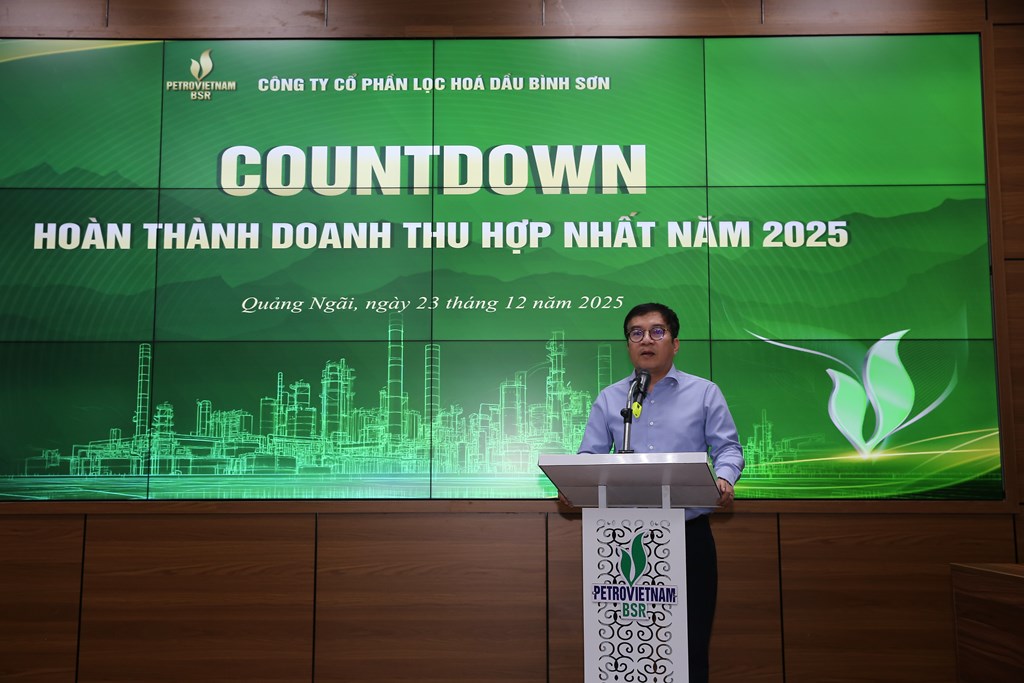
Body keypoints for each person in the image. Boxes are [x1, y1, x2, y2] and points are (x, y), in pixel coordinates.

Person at [577, 302, 744, 683]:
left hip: (687, 537)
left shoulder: (704, 393)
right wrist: (577, 486)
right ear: (628, 345)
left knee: (688, 644)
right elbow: (588, 457)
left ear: (675, 343)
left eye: (657, 331)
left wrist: (724, 479)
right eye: (636, 333)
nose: (646, 340)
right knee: (624, 646)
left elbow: (729, 449)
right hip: (621, 540)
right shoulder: (610, 398)